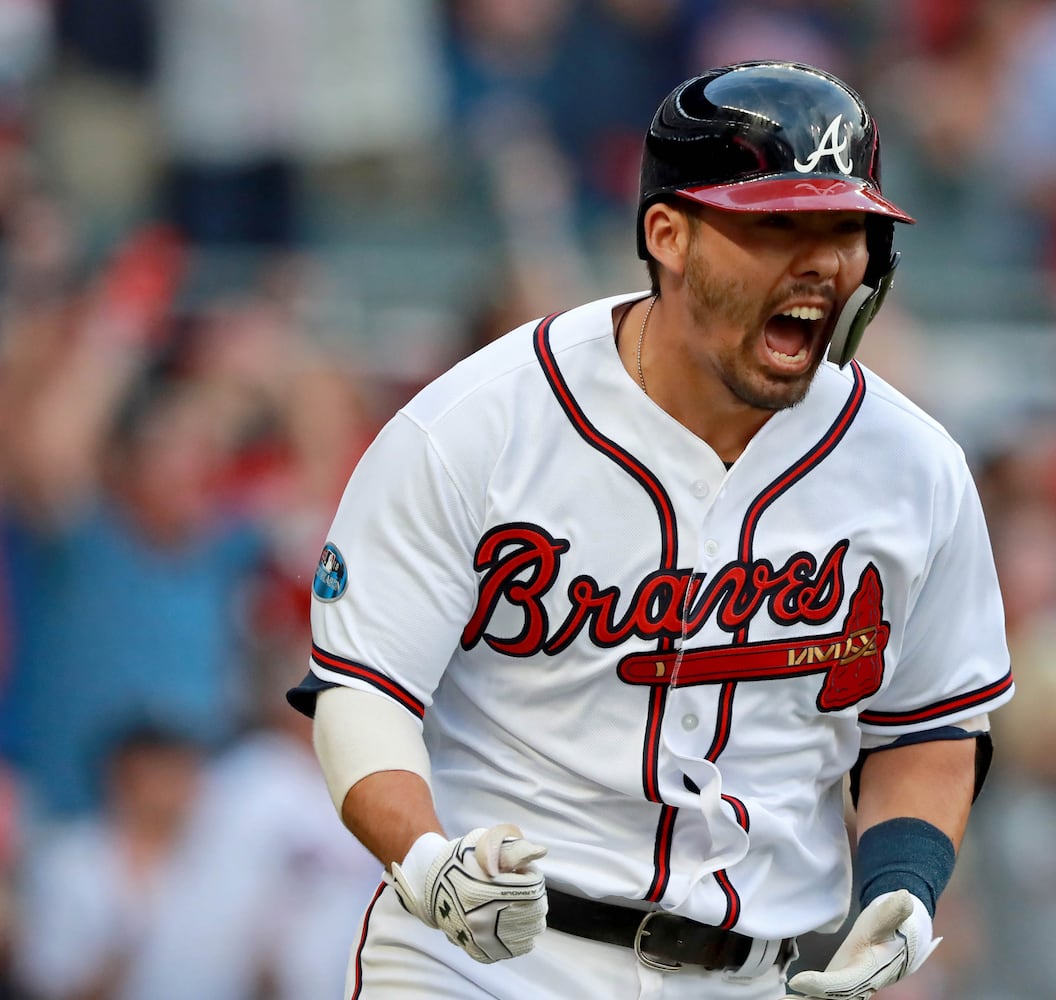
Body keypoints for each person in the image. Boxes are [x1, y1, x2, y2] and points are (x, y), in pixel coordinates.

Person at [286, 60, 1014, 1000]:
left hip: (752, 975)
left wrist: (906, 890)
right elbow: (364, 692)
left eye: (848, 230)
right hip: (483, 957)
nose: (824, 264)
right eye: (780, 226)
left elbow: (928, 725)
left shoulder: (915, 469)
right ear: (668, 234)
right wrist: (426, 859)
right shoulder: (482, 424)